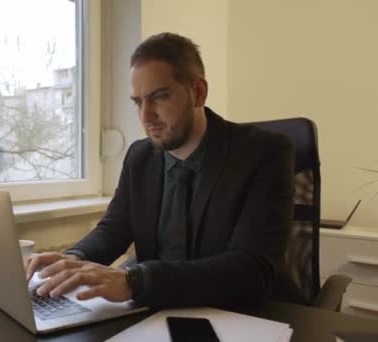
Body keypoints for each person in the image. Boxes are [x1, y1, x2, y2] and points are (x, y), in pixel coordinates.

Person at [25, 32, 294, 309]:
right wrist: (75, 258)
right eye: (138, 101)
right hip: (156, 312)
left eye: (159, 97)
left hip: (242, 315)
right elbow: (114, 230)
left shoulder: (263, 153)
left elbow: (251, 268)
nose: (145, 116)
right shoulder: (140, 156)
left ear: (198, 92)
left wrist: (136, 280)